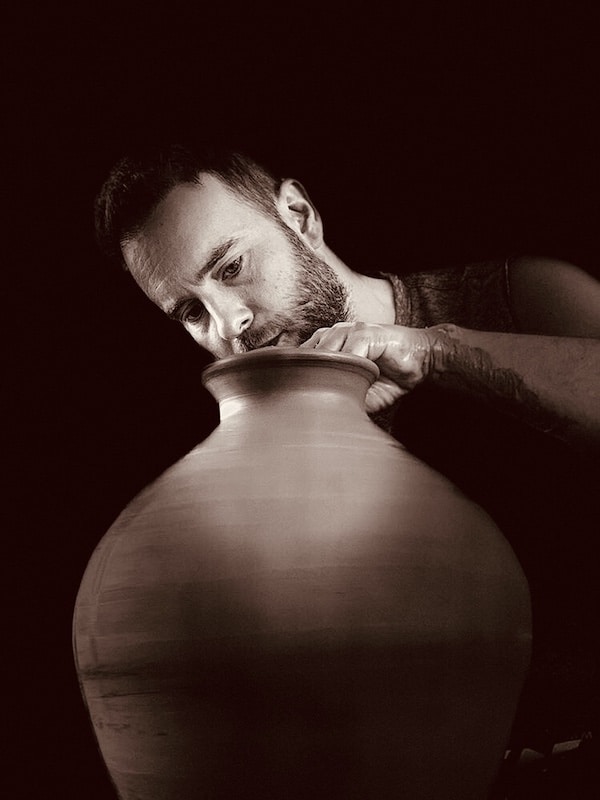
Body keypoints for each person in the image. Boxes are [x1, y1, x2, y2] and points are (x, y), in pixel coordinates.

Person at [95, 143, 599, 792]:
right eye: (192, 311)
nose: (230, 324)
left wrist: (436, 352)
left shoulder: (518, 298)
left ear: (299, 215)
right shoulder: (252, 471)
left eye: (232, 267)